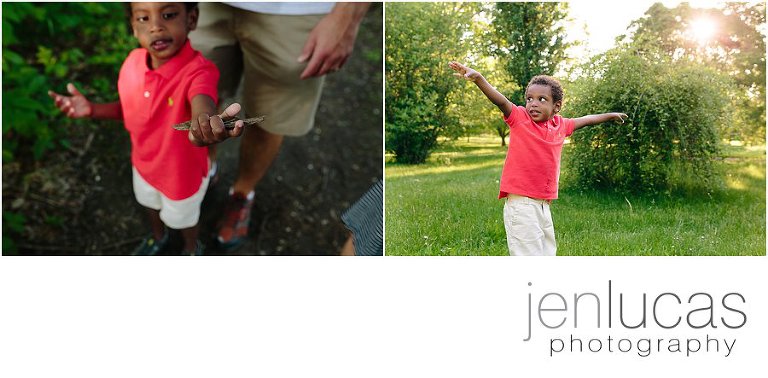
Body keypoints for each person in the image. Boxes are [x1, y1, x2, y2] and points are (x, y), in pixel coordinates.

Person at [48, 2, 245, 255]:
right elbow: (130, 109)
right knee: (149, 204)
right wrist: (92, 109)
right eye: (143, 18)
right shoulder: (132, 63)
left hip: (180, 177)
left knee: (183, 219)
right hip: (142, 165)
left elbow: (202, 99)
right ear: (132, 26)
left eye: (169, 15)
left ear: (192, 19)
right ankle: (157, 237)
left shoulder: (199, 72)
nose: (155, 26)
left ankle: (190, 248)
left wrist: (204, 120)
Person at [188, 2, 371, 250]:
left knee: (271, 117)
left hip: (297, 13)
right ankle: (206, 171)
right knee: (199, 98)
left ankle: (242, 194)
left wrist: (347, 15)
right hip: (203, 7)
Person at [449, 61, 627, 256]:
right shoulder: (520, 118)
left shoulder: (561, 125)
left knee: (547, 253)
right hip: (521, 204)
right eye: (529, 98)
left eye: (542, 99)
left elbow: (586, 119)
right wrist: (479, 79)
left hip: (543, 205)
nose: (533, 103)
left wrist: (610, 116)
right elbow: (500, 101)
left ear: (556, 106)